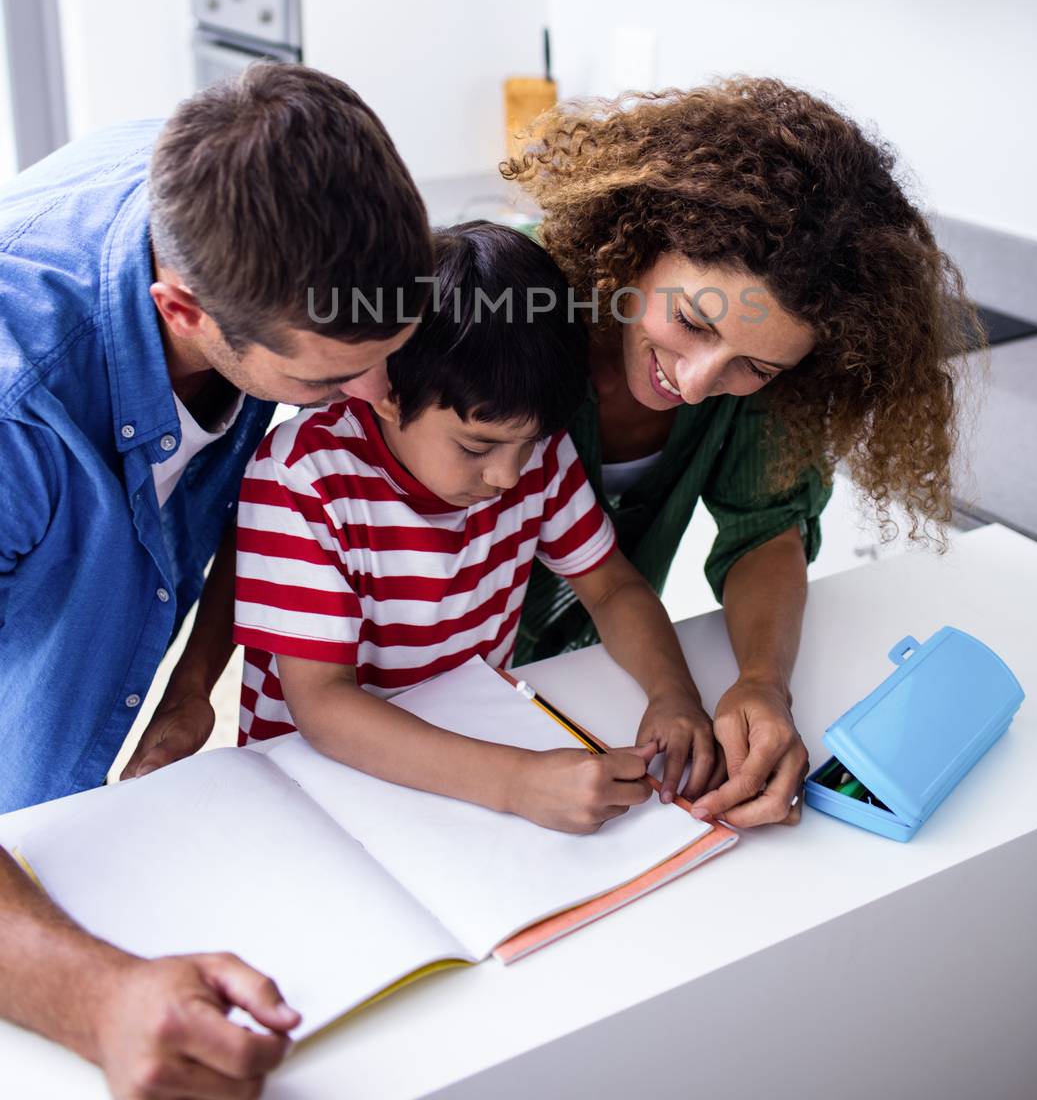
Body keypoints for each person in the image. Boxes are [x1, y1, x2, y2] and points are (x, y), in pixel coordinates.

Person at [0, 64, 432, 1098]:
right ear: (182, 308)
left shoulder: (269, 219)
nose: (375, 401)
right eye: (328, 381)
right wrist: (94, 996)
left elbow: (260, 479)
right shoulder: (17, 410)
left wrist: (195, 682)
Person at [505, 77, 972, 831]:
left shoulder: (773, 380)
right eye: (691, 321)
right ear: (638, 244)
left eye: (752, 368)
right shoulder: (507, 307)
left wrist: (761, 682)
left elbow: (765, 530)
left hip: (594, 691)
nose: (694, 384)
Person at [233, 221, 717, 828]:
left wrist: (674, 694)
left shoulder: (531, 453)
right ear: (387, 389)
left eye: (530, 442)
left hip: (467, 763)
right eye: (475, 447)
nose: (507, 477)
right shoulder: (302, 477)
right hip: (310, 787)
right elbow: (323, 705)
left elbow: (613, 587)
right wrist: (516, 783)